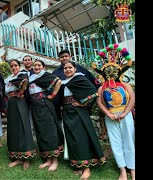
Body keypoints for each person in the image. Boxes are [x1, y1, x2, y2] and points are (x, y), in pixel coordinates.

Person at [93, 44, 135, 180]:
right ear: (104, 72)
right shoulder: (101, 88)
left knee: (129, 141)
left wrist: (124, 113)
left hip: (125, 115)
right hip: (110, 117)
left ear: (119, 71)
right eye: (108, 70)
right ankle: (122, 170)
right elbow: (99, 103)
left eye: (114, 69)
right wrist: (108, 114)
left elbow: (132, 99)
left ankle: (133, 170)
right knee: (115, 142)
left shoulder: (126, 85)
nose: (111, 72)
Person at [60, 61, 106, 180]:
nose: (68, 70)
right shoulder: (65, 82)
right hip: (67, 112)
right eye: (65, 68)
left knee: (81, 137)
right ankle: (78, 164)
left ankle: (86, 168)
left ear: (75, 69)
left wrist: (83, 102)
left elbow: (93, 91)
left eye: (70, 67)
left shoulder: (79, 78)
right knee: (72, 138)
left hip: (78, 112)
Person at [28, 60, 64, 171]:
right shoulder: (31, 78)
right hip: (35, 106)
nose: (37, 67)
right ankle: (48, 159)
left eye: (39, 65)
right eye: (35, 65)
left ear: (43, 67)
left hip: (45, 105)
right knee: (41, 131)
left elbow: (58, 82)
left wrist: (53, 94)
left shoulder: (46, 75)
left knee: (50, 131)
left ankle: (55, 160)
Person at [5, 59, 36, 170]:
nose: (14, 67)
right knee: (14, 128)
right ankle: (17, 157)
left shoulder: (22, 74)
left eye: (15, 65)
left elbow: (25, 82)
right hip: (11, 103)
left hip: (20, 101)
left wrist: (21, 92)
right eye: (12, 66)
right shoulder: (8, 79)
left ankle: (26, 157)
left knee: (23, 127)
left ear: (19, 66)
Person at [52, 49, 100, 120]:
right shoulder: (55, 73)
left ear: (70, 57)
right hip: (65, 107)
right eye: (62, 57)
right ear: (59, 59)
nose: (64, 58)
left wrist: (85, 103)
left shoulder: (79, 68)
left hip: (80, 105)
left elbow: (93, 82)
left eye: (66, 56)